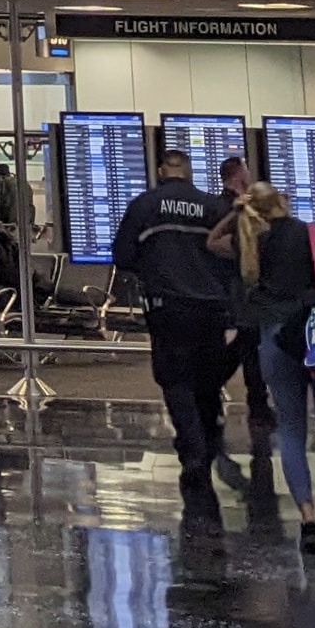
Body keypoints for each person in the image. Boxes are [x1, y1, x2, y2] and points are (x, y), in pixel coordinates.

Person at [211, 183, 315, 550]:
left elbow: (213, 241)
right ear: (283, 202)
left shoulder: (250, 242)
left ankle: (306, 516)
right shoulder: (313, 233)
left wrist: (236, 211)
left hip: (276, 342)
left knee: (291, 430)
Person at [112, 148, 235, 519]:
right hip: (211, 307)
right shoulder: (213, 207)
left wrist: (154, 267)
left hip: (167, 306)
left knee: (175, 380)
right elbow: (233, 255)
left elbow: (122, 255)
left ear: (162, 170)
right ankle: (208, 439)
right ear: (190, 171)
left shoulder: (144, 205)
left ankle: (193, 452)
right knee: (207, 380)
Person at [210, 155, 276, 436]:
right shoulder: (241, 212)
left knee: (245, 345)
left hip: (226, 288)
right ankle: (257, 406)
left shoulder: (214, 207)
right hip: (244, 289)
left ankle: (212, 387)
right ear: (239, 176)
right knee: (249, 348)